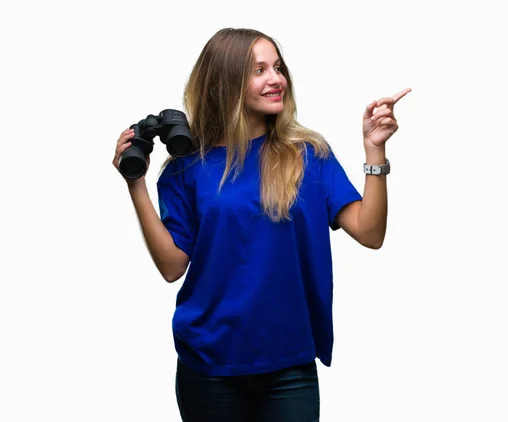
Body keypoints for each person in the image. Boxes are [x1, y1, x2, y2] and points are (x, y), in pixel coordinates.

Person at [112, 27, 411, 422]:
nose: (276, 79)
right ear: (225, 84)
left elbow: (370, 233)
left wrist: (375, 150)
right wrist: (136, 185)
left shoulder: (308, 155)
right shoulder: (187, 168)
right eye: (258, 70)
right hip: (209, 365)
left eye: (278, 67)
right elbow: (172, 266)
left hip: (289, 363)